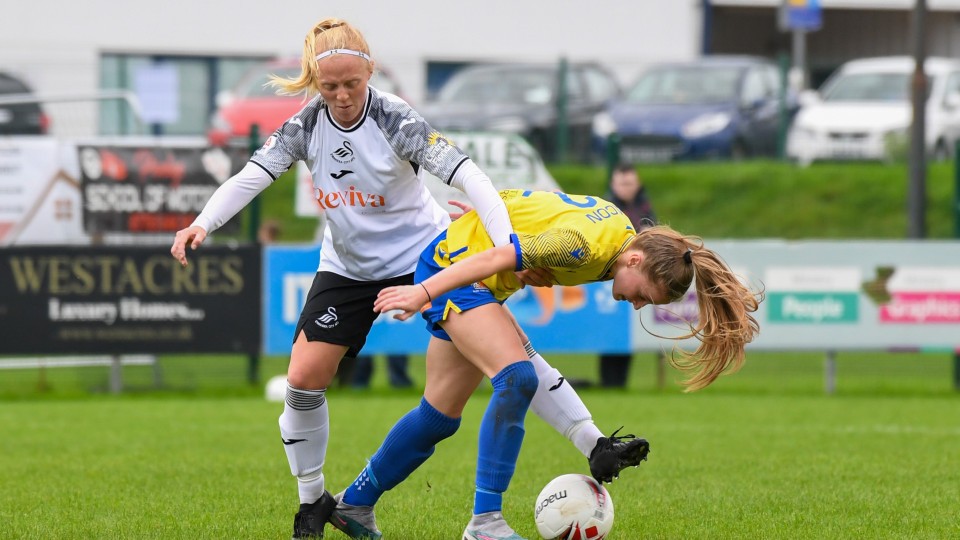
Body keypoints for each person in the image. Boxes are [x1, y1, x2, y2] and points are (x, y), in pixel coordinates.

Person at [170, 19, 646, 540]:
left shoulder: (396, 119)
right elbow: (251, 176)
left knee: (511, 366)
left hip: (432, 256)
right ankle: (318, 503)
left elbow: (470, 176)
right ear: (313, 82)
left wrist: (505, 245)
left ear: (370, 71)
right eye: (330, 87)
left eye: (353, 83)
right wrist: (202, 222)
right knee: (308, 379)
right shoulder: (305, 127)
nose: (343, 95)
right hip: (346, 269)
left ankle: (537, 483)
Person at [329, 189, 762, 540]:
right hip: (455, 272)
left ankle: (353, 505)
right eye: (644, 295)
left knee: (438, 417)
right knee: (515, 376)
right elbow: (500, 259)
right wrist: (422, 291)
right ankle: (485, 525)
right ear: (636, 259)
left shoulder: (618, 236)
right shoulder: (582, 247)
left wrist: (487, 223)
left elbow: (538, 207)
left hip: (471, 271)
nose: (637, 305)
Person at [599, 164, 657, 388]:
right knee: (610, 333)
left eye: (630, 183)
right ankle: (609, 382)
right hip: (610, 282)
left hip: (634, 280)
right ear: (613, 184)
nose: (626, 188)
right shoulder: (607, 207)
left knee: (627, 336)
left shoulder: (644, 207)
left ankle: (619, 383)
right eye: (622, 183)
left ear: (638, 184)